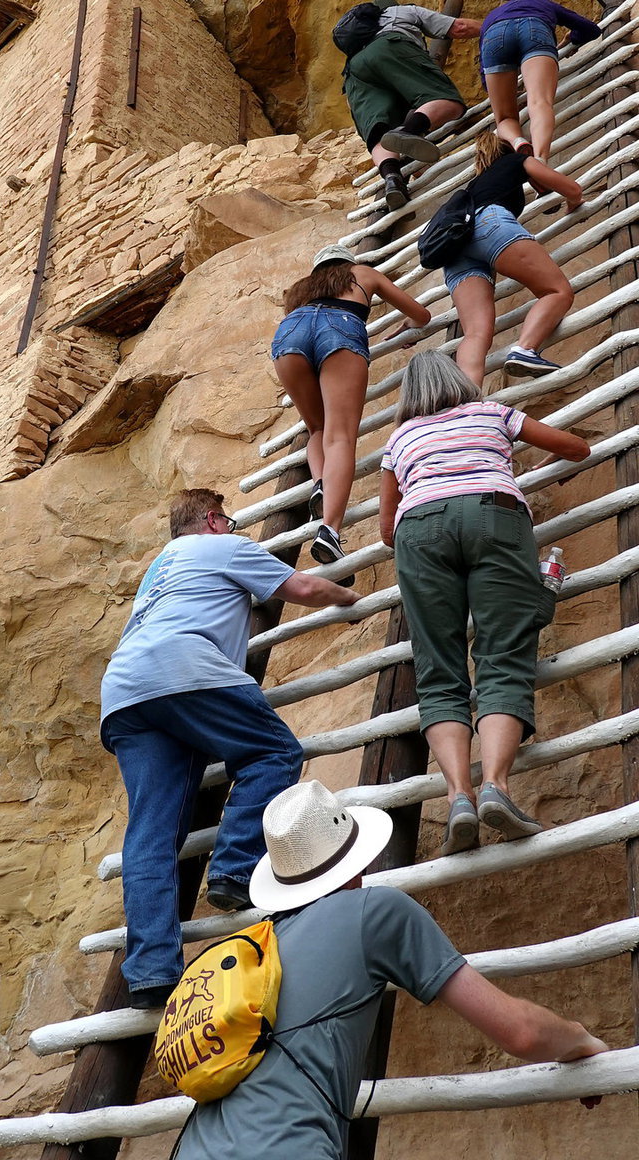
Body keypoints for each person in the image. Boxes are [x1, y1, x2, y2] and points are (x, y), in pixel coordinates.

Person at [174, 779, 607, 1160]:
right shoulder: (374, 910)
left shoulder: (256, 949)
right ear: (357, 859)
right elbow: (521, 1032)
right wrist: (581, 1040)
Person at [100, 488, 360, 1009]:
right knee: (272, 754)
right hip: (185, 670)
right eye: (233, 522)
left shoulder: (156, 573)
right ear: (215, 521)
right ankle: (235, 868)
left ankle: (150, 970)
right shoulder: (222, 547)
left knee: (151, 830)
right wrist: (353, 600)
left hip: (124, 693)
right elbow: (302, 587)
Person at [379, 353, 589, 855]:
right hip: (494, 514)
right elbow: (576, 447)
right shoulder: (493, 412)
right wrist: (526, 466)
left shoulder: (398, 439)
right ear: (457, 381)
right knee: (503, 654)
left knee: (438, 667)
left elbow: (387, 531)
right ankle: (496, 785)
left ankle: (458, 797)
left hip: (419, 532)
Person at [271, 244, 430, 577]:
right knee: (341, 436)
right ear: (347, 262)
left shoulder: (300, 291)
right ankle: (329, 529)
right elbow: (420, 314)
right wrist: (407, 326)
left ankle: (321, 483)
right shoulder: (362, 274)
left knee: (317, 428)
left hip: (289, 336)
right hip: (339, 328)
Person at [441, 131, 583, 382]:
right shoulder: (516, 161)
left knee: (475, 333)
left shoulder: (476, 184)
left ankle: (469, 398)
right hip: (490, 225)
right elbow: (571, 188)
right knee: (557, 291)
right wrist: (573, 205)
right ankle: (525, 349)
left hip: (454, 249)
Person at [340, 0, 482, 210]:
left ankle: (392, 179)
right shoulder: (402, 11)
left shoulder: (357, 44)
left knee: (379, 132)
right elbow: (459, 27)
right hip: (389, 48)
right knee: (448, 101)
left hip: (354, 74)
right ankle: (409, 131)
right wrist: (497, 23)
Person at [480, 0, 601, 161]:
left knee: (505, 118)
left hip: (494, 35)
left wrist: (503, 89)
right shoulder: (539, 2)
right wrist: (572, 38)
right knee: (539, 102)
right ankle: (540, 159)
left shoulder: (491, 17)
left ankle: (518, 141)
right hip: (534, 28)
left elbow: (484, 69)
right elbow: (591, 29)